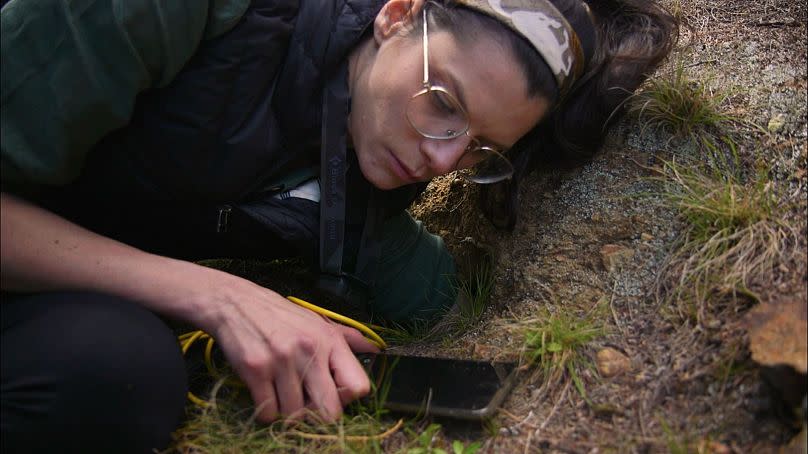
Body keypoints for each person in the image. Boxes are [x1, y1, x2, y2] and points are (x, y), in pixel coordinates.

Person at [0, 0, 677, 451]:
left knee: (113, 375)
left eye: (477, 148)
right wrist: (218, 297)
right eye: (442, 101)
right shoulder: (173, 12)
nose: (440, 160)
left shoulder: (364, 185)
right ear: (396, 15)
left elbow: (435, 293)